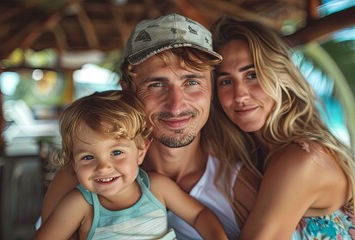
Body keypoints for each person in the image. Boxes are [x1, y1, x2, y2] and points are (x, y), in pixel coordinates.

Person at [40, 13, 254, 239]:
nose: (176, 104)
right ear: (128, 92)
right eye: (157, 84)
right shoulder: (79, 179)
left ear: (212, 89)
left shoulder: (238, 183)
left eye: (192, 82)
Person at [210, 15, 355, 239]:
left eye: (252, 75)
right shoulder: (259, 158)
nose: (239, 95)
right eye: (226, 81)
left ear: (279, 75)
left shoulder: (302, 159)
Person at [34, 90, 228, 240]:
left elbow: (199, 215)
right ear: (73, 163)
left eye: (116, 153)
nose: (103, 167)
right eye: (87, 157)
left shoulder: (157, 188)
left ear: (141, 151)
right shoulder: (79, 204)